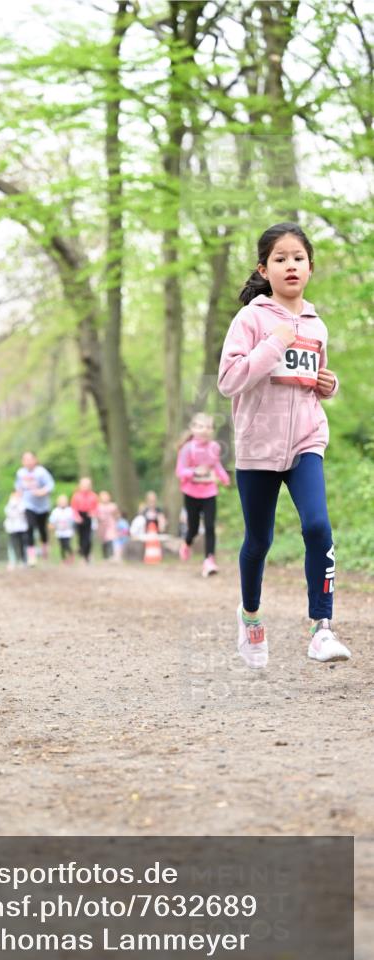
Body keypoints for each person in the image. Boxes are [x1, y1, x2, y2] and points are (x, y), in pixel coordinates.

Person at [218, 221, 351, 668]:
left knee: (318, 527)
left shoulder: (317, 323)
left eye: (298, 258)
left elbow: (308, 380)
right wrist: (273, 343)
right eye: (280, 259)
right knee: (259, 540)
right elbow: (229, 380)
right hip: (258, 445)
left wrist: (326, 385)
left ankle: (321, 628)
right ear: (264, 268)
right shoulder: (251, 319)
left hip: (305, 442)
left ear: (310, 267)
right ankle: (251, 616)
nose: (290, 265)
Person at [175, 413, 230, 577]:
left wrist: (224, 477)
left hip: (209, 492)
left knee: (210, 527)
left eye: (208, 427)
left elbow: (216, 464)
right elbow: (180, 471)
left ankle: (209, 560)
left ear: (212, 430)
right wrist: (195, 472)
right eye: (200, 426)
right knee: (192, 528)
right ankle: (186, 542)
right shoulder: (187, 448)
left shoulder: (214, 447)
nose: (204, 430)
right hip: (191, 493)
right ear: (192, 429)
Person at [14, 452, 55, 566]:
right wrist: (18, 497)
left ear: (35, 460)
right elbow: (18, 486)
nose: (28, 462)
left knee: (42, 530)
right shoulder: (20, 473)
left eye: (30, 459)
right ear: (22, 462)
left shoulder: (41, 472)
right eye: (25, 459)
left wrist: (42, 491)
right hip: (28, 505)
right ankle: (31, 557)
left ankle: (45, 552)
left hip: (43, 506)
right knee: (30, 528)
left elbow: (51, 484)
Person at [70, 477, 99, 562]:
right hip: (79, 516)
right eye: (83, 485)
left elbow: (96, 507)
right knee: (81, 537)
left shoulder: (93, 496)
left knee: (88, 537)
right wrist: (77, 517)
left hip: (89, 517)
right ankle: (82, 554)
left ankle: (87, 554)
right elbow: (74, 508)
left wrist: (93, 513)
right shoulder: (76, 495)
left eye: (87, 485)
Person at [4, 489, 28, 569]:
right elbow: (9, 513)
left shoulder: (24, 502)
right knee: (13, 545)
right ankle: (13, 561)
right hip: (12, 528)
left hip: (22, 527)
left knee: (23, 544)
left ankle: (24, 560)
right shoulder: (10, 503)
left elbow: (23, 512)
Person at [49, 495, 77, 562]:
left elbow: (73, 520)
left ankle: (71, 553)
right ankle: (63, 558)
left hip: (68, 532)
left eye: (64, 501)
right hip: (59, 532)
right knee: (62, 546)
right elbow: (52, 520)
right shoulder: (55, 511)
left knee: (67, 544)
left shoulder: (70, 510)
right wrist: (51, 526)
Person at [96, 490, 119, 560]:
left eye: (106, 497)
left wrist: (116, 519)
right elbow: (96, 515)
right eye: (103, 497)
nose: (105, 498)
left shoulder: (113, 506)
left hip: (111, 525)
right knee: (104, 541)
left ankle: (111, 555)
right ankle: (105, 556)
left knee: (110, 539)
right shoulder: (98, 506)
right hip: (102, 527)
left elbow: (116, 514)